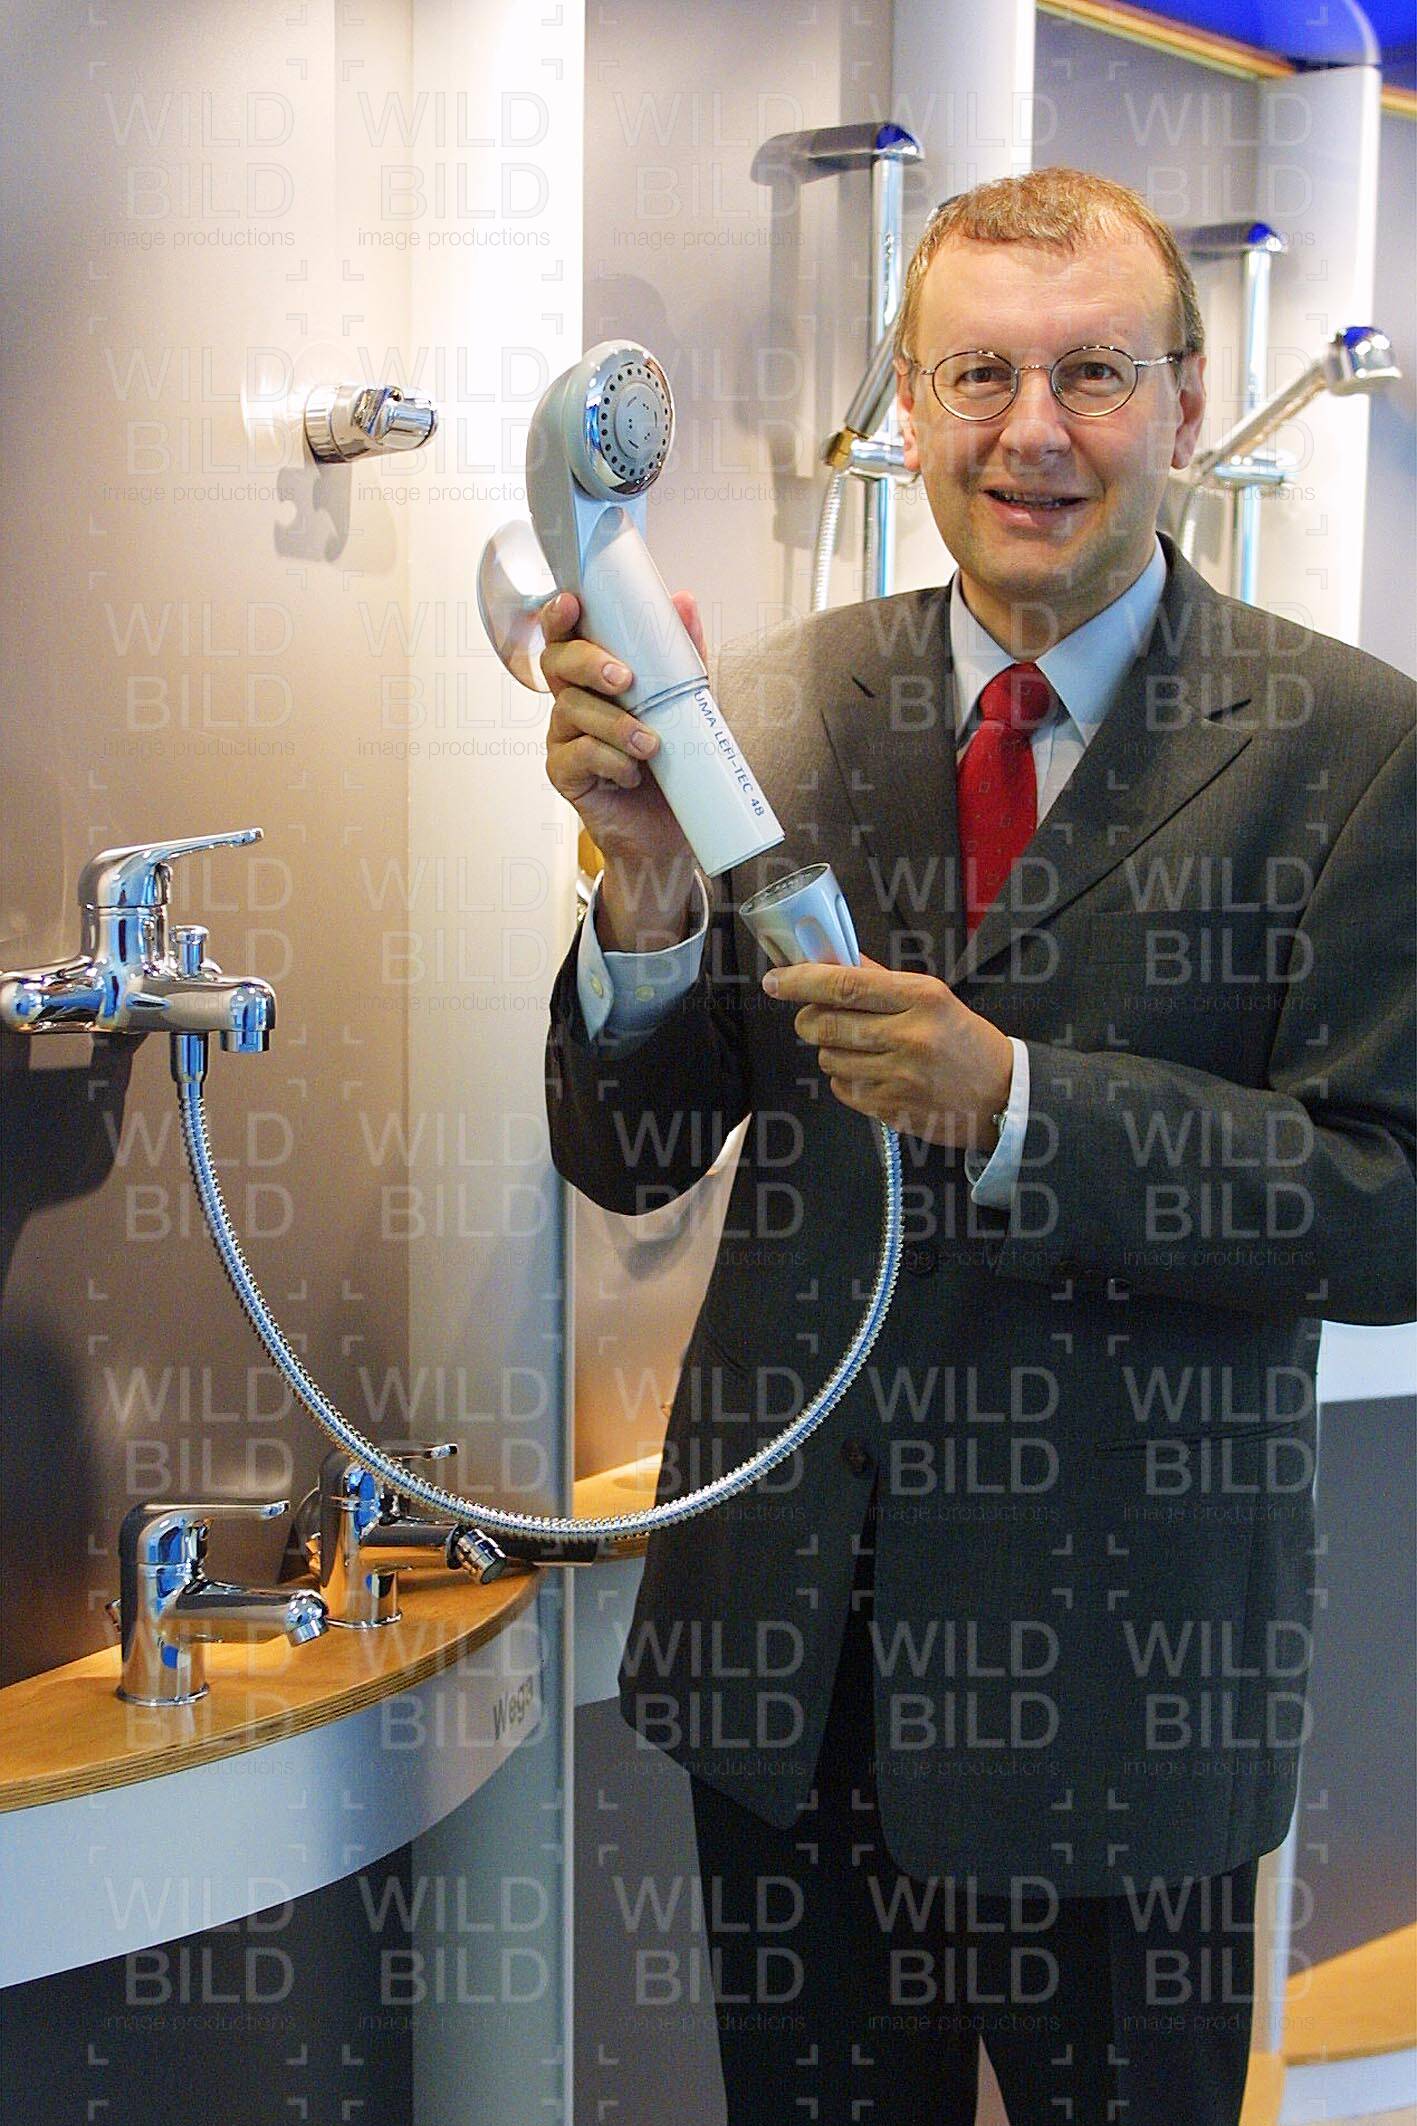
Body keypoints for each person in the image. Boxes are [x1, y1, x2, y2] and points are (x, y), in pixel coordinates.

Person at [540, 168, 1416, 2124]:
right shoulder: (773, 706)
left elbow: (1390, 1205)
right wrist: (647, 897)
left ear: (1186, 401)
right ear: (912, 403)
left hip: (1121, 1700)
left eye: (1091, 372)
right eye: (978, 376)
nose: (1033, 432)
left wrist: (1022, 1109)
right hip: (787, 1676)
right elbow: (631, 1151)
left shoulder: (1352, 747)